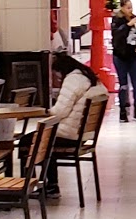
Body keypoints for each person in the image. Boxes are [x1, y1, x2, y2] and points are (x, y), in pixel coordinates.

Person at [32, 55, 106, 194]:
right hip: (81, 133)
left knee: (32, 141)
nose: (58, 78)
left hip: (68, 134)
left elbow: (60, 111)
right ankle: (50, 185)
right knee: (43, 139)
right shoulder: (87, 77)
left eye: (57, 74)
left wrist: (47, 111)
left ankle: (30, 186)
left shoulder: (72, 80)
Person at [111, 1, 136, 123]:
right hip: (121, 56)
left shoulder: (135, 19)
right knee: (123, 84)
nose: (130, 10)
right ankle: (123, 111)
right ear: (122, 8)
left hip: (134, 56)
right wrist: (128, 25)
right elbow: (117, 36)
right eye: (128, 8)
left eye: (131, 8)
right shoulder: (117, 20)